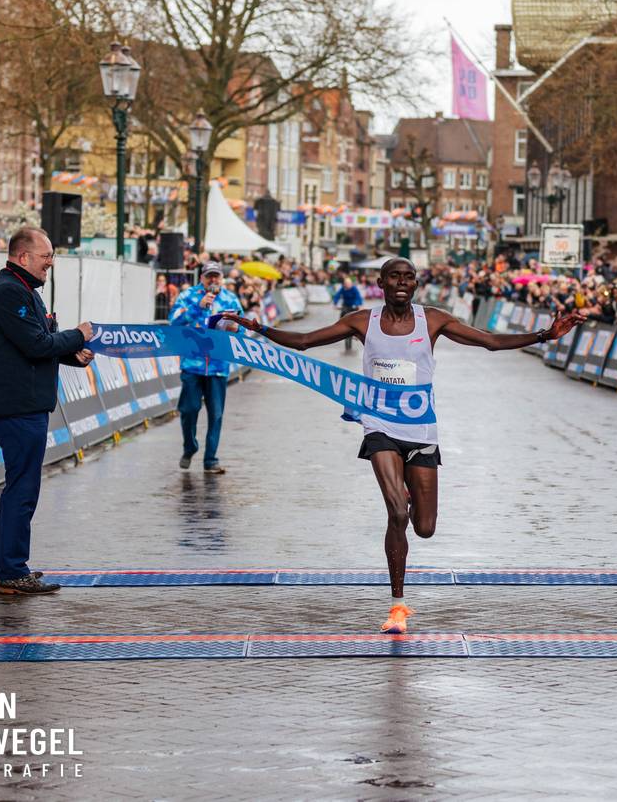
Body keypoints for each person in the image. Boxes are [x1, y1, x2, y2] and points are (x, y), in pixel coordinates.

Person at [220, 258, 584, 633]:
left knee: (424, 527)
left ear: (415, 284)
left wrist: (544, 335)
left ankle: (408, 490)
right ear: (380, 283)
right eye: (394, 276)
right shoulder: (362, 320)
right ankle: (397, 606)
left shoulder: (434, 320)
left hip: (421, 431)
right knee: (396, 512)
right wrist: (258, 327)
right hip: (379, 427)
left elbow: (489, 342)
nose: (401, 282)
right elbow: (306, 341)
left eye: (408, 277)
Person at [0, 227, 95, 596]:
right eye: (45, 256)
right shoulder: (9, 292)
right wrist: (78, 335)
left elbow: (40, 343)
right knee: (22, 490)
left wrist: (71, 355)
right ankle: (12, 571)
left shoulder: (23, 290)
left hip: (24, 404)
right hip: (18, 407)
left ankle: (8, 569)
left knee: (20, 488)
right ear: (22, 256)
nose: (51, 263)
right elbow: (34, 344)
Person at [169, 261, 244, 473]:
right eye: (209, 276)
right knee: (189, 409)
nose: (213, 280)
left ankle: (211, 460)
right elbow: (173, 322)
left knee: (216, 414)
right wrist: (197, 307)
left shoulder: (230, 299)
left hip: (218, 366)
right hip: (192, 365)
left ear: (222, 278)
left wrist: (236, 328)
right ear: (201, 278)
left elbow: (243, 331)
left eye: (216, 276)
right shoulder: (188, 296)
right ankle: (190, 446)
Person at [332, 273, 364, 351]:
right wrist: (335, 303)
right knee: (342, 315)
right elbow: (337, 295)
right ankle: (341, 327)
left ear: (351, 284)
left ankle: (356, 333)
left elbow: (358, 297)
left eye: (348, 284)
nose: (347, 285)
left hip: (353, 305)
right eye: (346, 284)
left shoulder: (354, 289)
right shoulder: (343, 288)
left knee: (356, 319)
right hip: (346, 305)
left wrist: (358, 305)